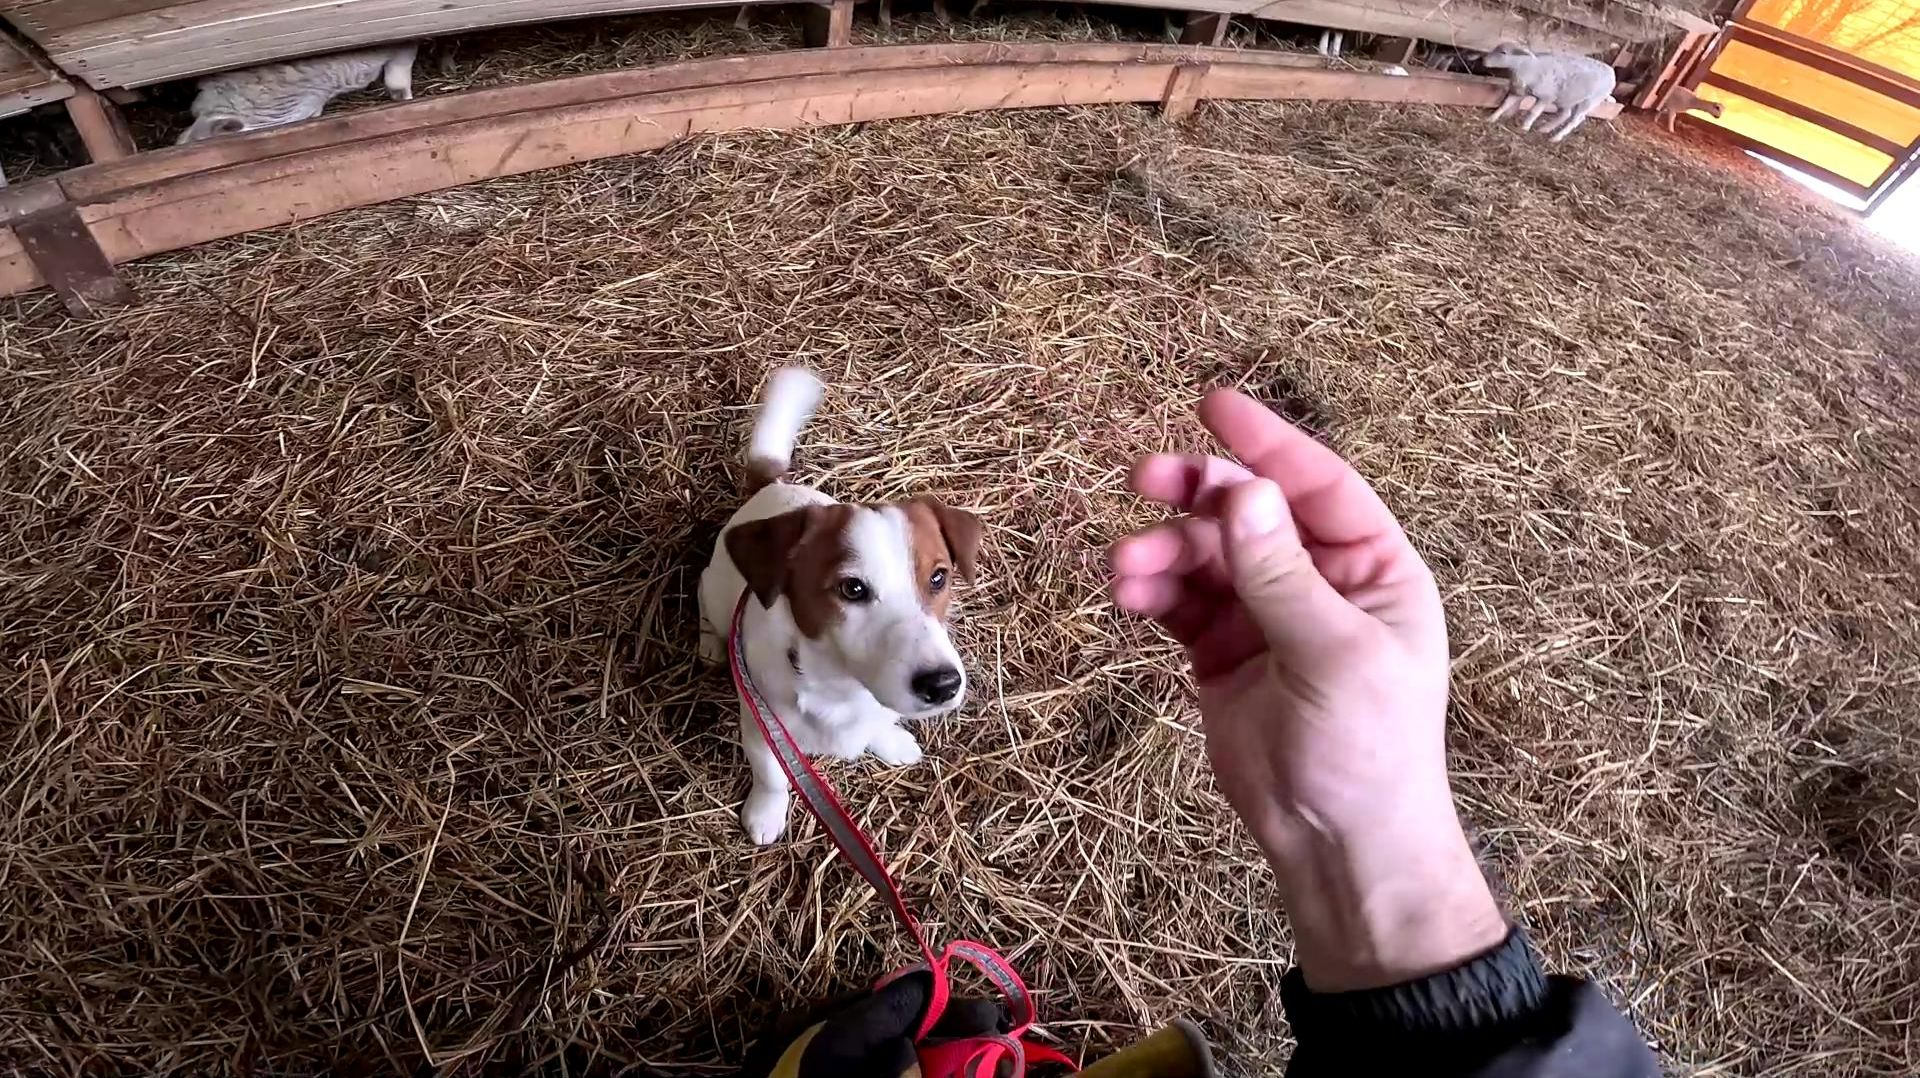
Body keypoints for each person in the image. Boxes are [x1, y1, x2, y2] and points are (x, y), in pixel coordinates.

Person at [744, 390, 1661, 1077]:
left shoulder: (914, 574)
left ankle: (870, 722)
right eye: (857, 591)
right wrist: (774, 771)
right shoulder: (776, 578)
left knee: (886, 712)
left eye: (935, 584)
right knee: (773, 744)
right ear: (795, 580)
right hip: (770, 622)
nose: (929, 643)